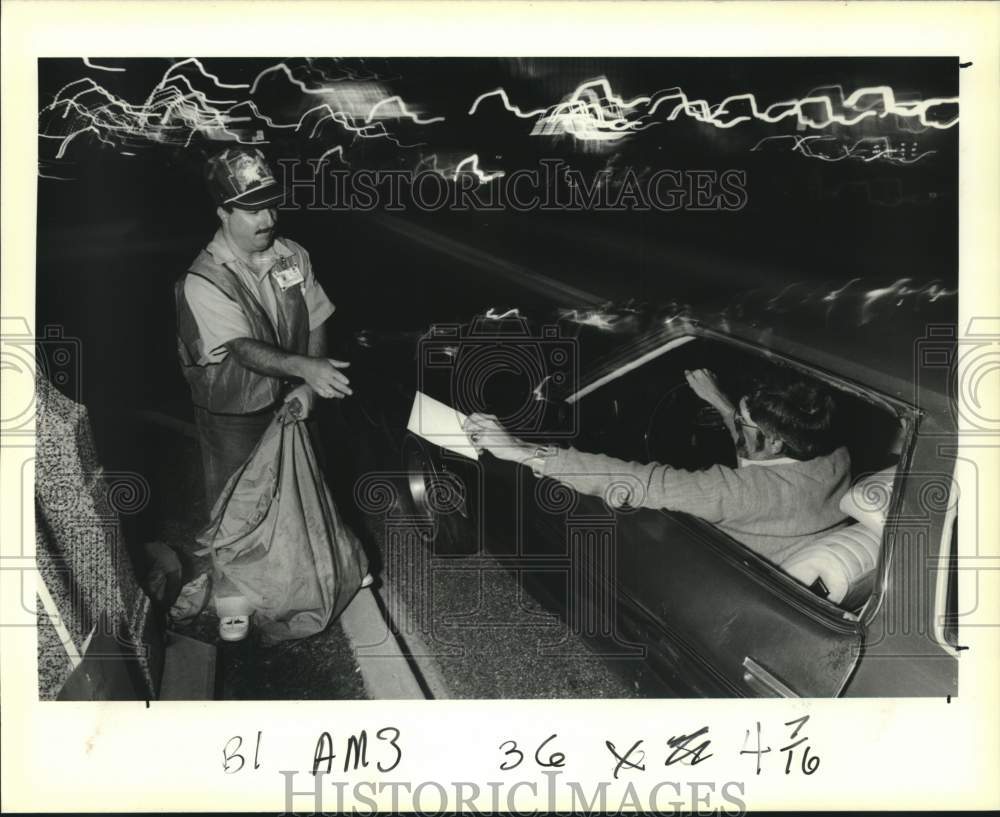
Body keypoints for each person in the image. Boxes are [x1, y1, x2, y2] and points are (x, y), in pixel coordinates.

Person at [464, 369, 852, 565]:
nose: (736, 420)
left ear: (775, 440)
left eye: (741, 421)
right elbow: (758, 453)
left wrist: (519, 449)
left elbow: (635, 479)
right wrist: (722, 404)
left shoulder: (737, 492)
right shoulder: (835, 455)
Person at [175, 146, 352, 509]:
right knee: (240, 512)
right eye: (253, 210)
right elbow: (242, 349)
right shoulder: (201, 281)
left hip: (293, 396)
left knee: (309, 503)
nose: (269, 219)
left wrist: (308, 386)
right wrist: (306, 368)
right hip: (234, 417)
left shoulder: (292, 254)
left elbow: (316, 317)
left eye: (272, 206)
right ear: (223, 213)